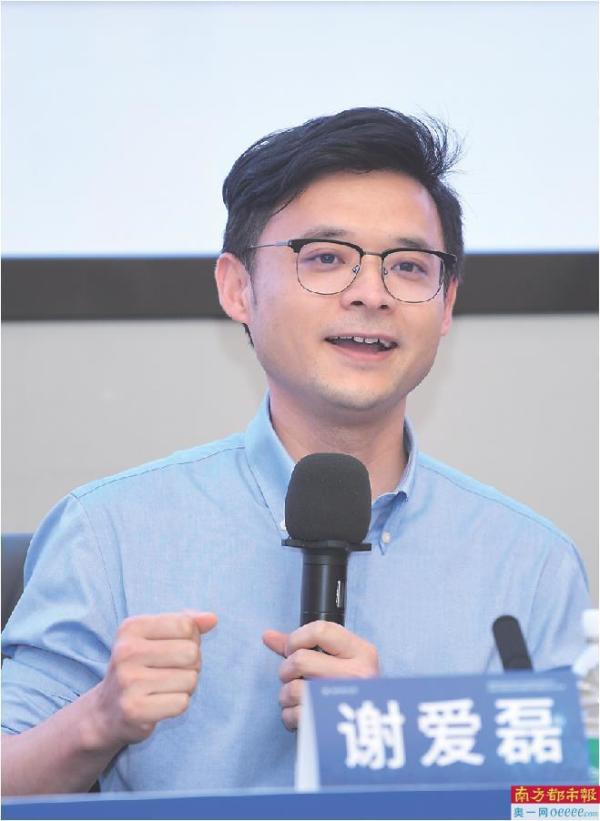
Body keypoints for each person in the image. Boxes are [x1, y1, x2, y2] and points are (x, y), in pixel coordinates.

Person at [1, 107, 590, 795]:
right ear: (238, 287)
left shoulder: (530, 565)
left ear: (447, 302)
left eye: (408, 266)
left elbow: (569, 806)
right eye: (326, 258)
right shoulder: (109, 533)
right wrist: (97, 719)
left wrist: (394, 738)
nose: (371, 294)